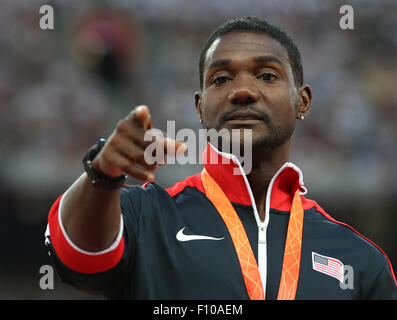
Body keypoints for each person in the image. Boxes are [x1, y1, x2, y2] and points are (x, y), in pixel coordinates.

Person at [44, 16, 397, 300]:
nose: (241, 91)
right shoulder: (145, 215)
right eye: (221, 78)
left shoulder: (361, 261)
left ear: (302, 101)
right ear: (200, 107)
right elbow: (74, 253)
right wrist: (101, 174)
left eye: (267, 76)